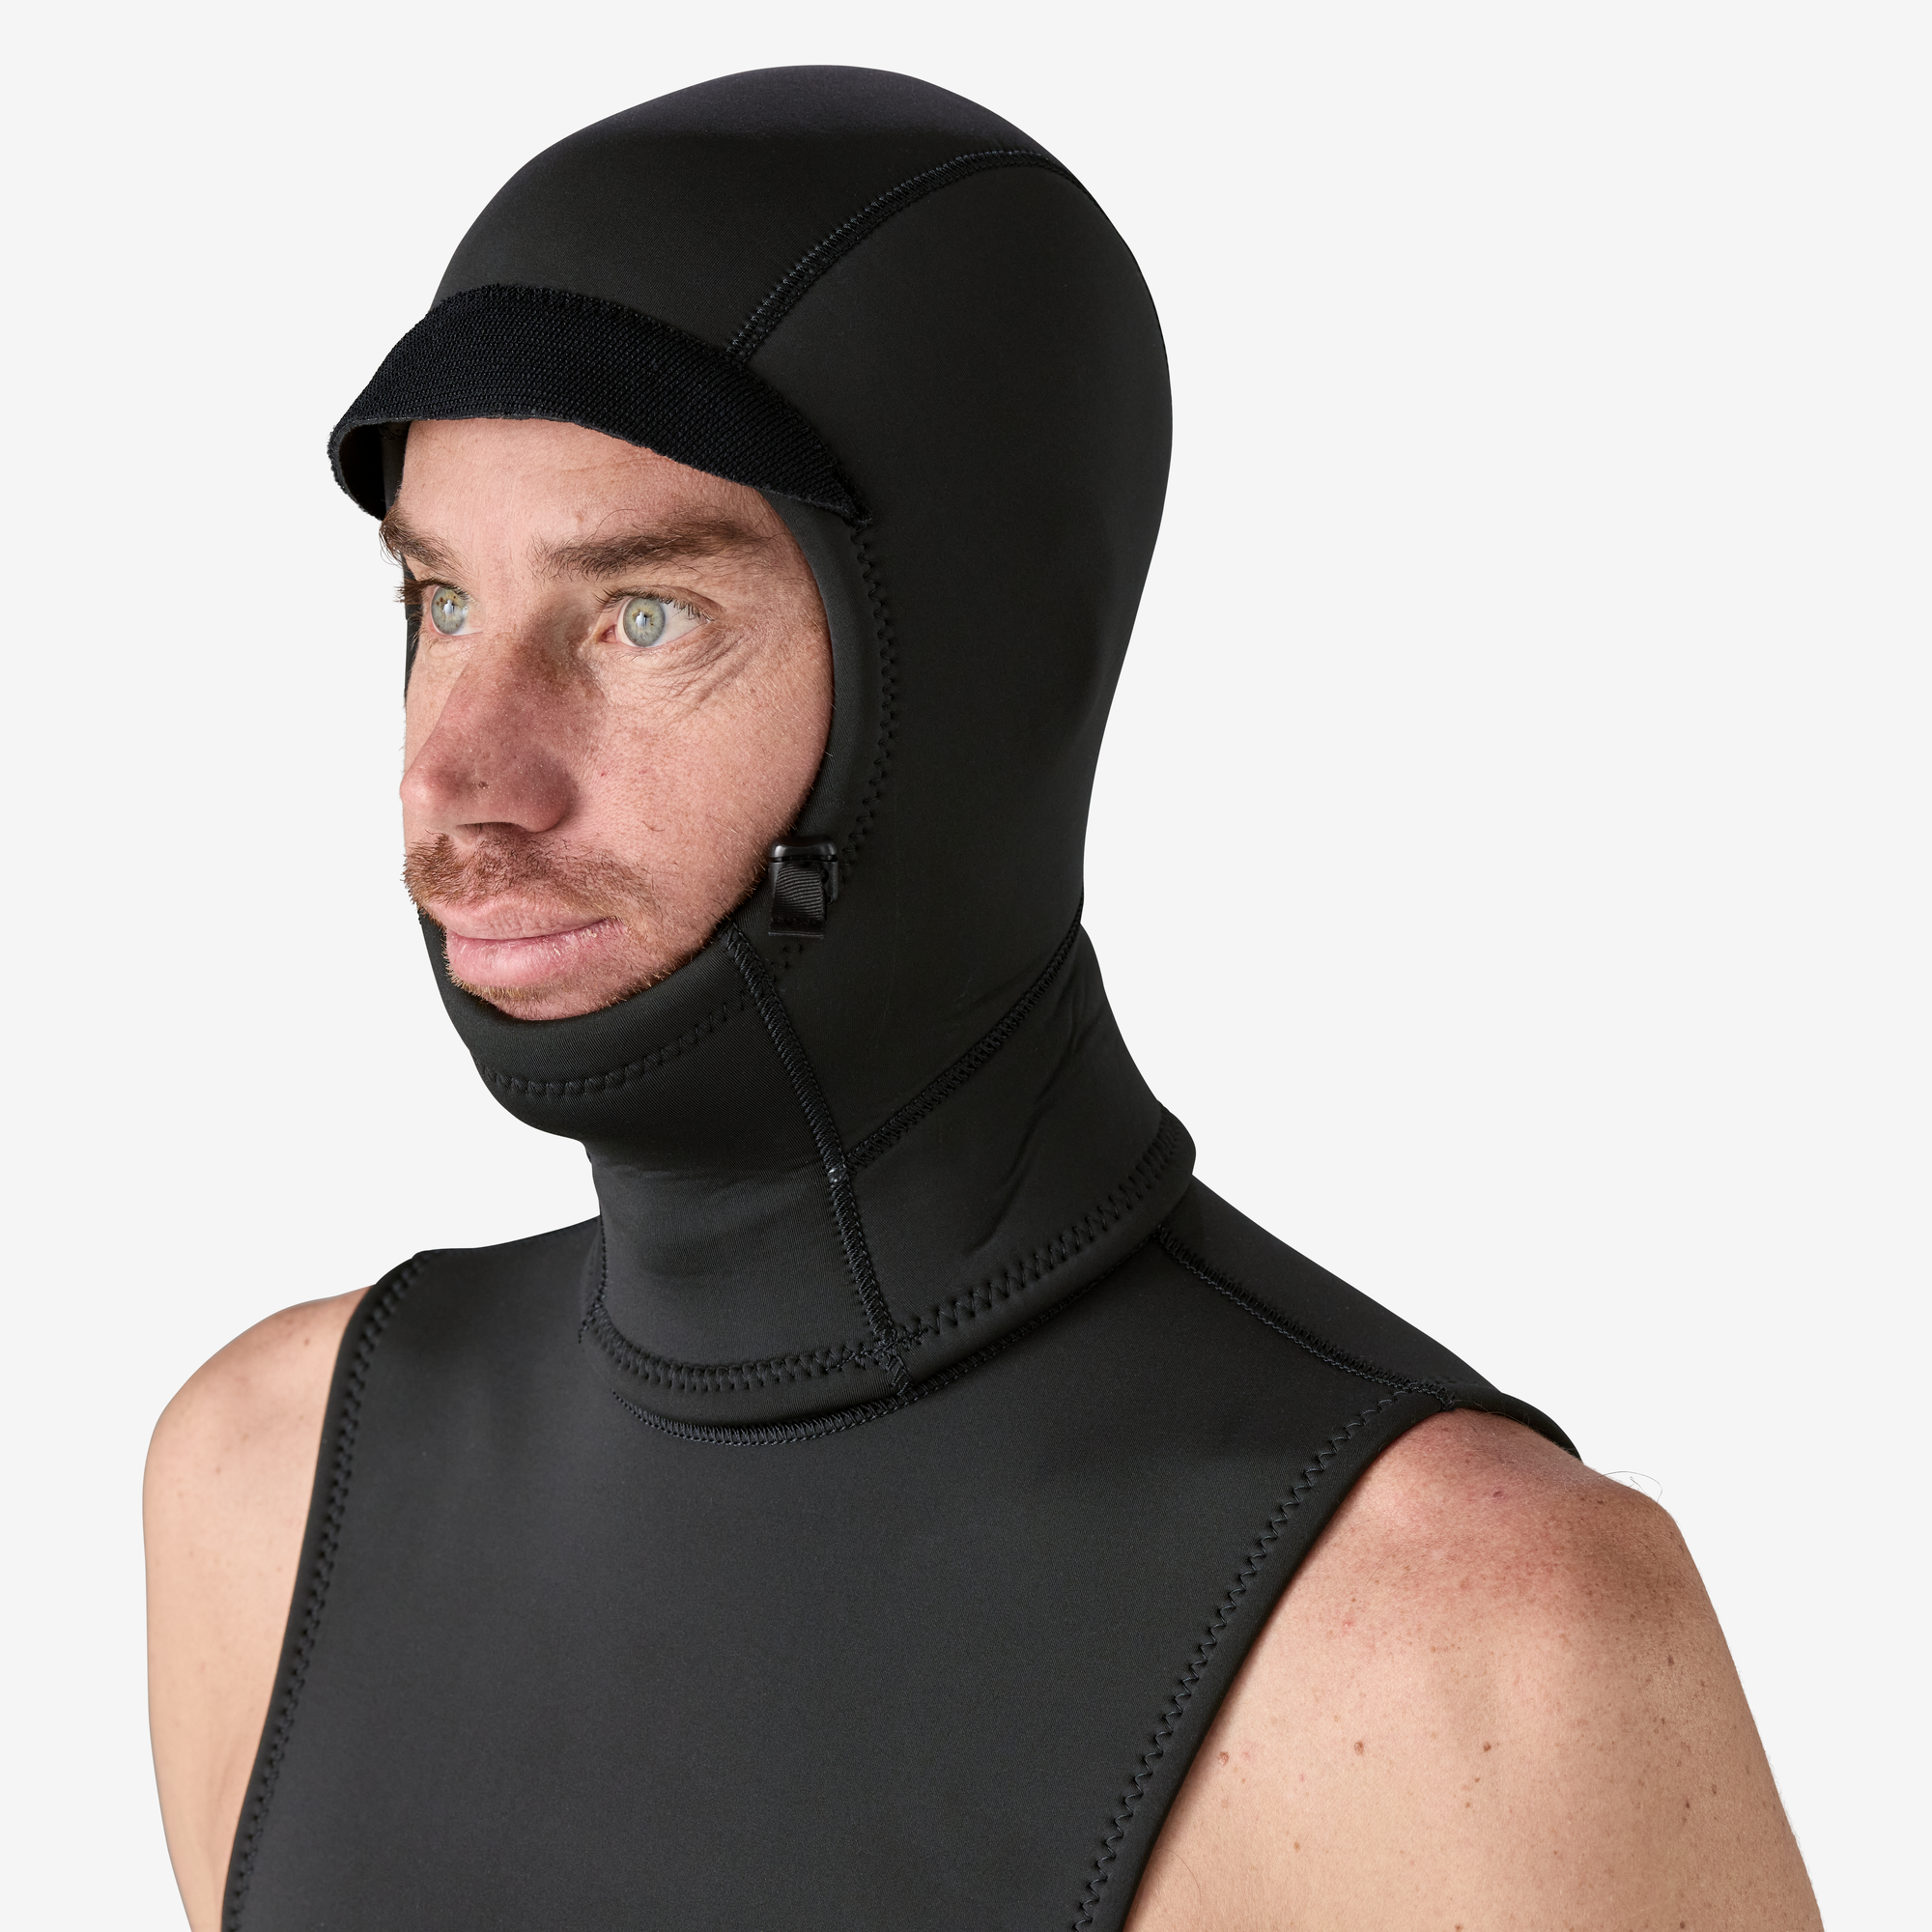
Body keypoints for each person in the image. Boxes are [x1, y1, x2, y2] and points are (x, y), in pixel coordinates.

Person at [144, 66, 1822, 1932]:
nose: (459, 778)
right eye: (443, 603)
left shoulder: (1466, 1649)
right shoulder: (269, 1483)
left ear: (963, 679)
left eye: (643, 617)